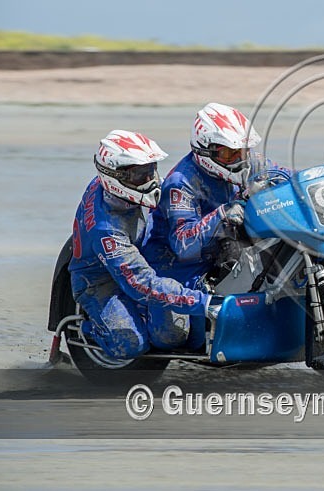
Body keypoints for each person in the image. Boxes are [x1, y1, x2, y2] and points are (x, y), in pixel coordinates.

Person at [68, 129, 216, 360]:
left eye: (150, 171)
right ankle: (90, 329)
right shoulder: (106, 229)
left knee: (176, 336)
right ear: (114, 177)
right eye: (140, 175)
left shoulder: (113, 188)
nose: (150, 180)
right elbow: (140, 283)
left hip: (139, 254)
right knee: (131, 344)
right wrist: (205, 303)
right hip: (98, 280)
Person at [142, 103, 272, 350]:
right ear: (206, 151)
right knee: (173, 336)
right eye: (228, 154)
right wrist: (222, 214)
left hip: (219, 250)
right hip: (179, 267)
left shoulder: (249, 162)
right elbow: (183, 245)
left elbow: (283, 175)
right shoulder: (181, 183)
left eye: (241, 152)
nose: (237, 160)